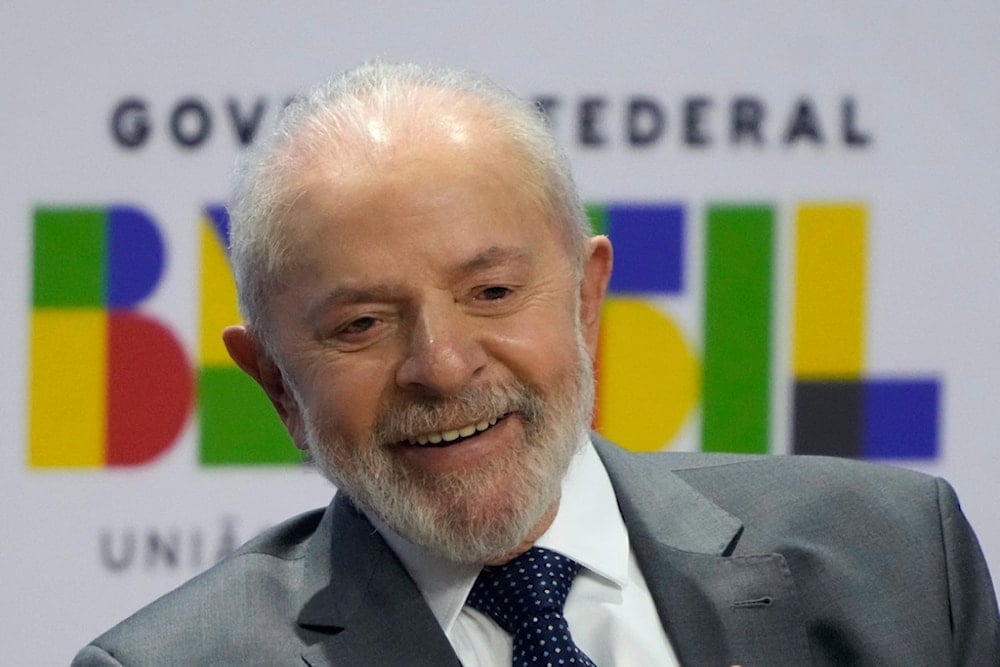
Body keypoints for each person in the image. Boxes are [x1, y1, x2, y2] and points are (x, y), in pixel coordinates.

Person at [74, 61, 999, 667]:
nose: (440, 365)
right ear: (275, 381)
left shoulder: (898, 559)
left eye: (491, 293)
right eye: (361, 322)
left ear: (587, 298)